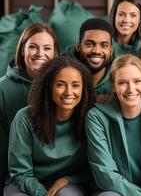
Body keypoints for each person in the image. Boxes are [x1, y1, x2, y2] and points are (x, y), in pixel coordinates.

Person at [5, 56, 94, 196]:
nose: (68, 92)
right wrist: (41, 193)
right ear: (48, 86)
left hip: (69, 185)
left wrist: (67, 180)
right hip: (25, 183)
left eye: (75, 85)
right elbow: (20, 172)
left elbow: (93, 170)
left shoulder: (91, 119)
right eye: (60, 84)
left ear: (84, 88)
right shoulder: (24, 118)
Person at [86, 54, 141, 196]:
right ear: (113, 86)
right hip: (116, 191)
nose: (131, 89)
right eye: (122, 83)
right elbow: (105, 173)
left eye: (137, 81)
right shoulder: (96, 117)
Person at [0, 23, 59, 194]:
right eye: (33, 47)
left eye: (47, 48)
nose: (40, 54)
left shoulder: (64, 87)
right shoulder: (3, 89)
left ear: (55, 53)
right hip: (16, 177)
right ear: (21, 51)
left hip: (57, 177)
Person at [63, 18, 114, 98]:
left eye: (104, 45)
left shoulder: (117, 78)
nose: (96, 51)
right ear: (78, 46)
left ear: (111, 51)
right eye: (89, 44)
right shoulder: (60, 72)